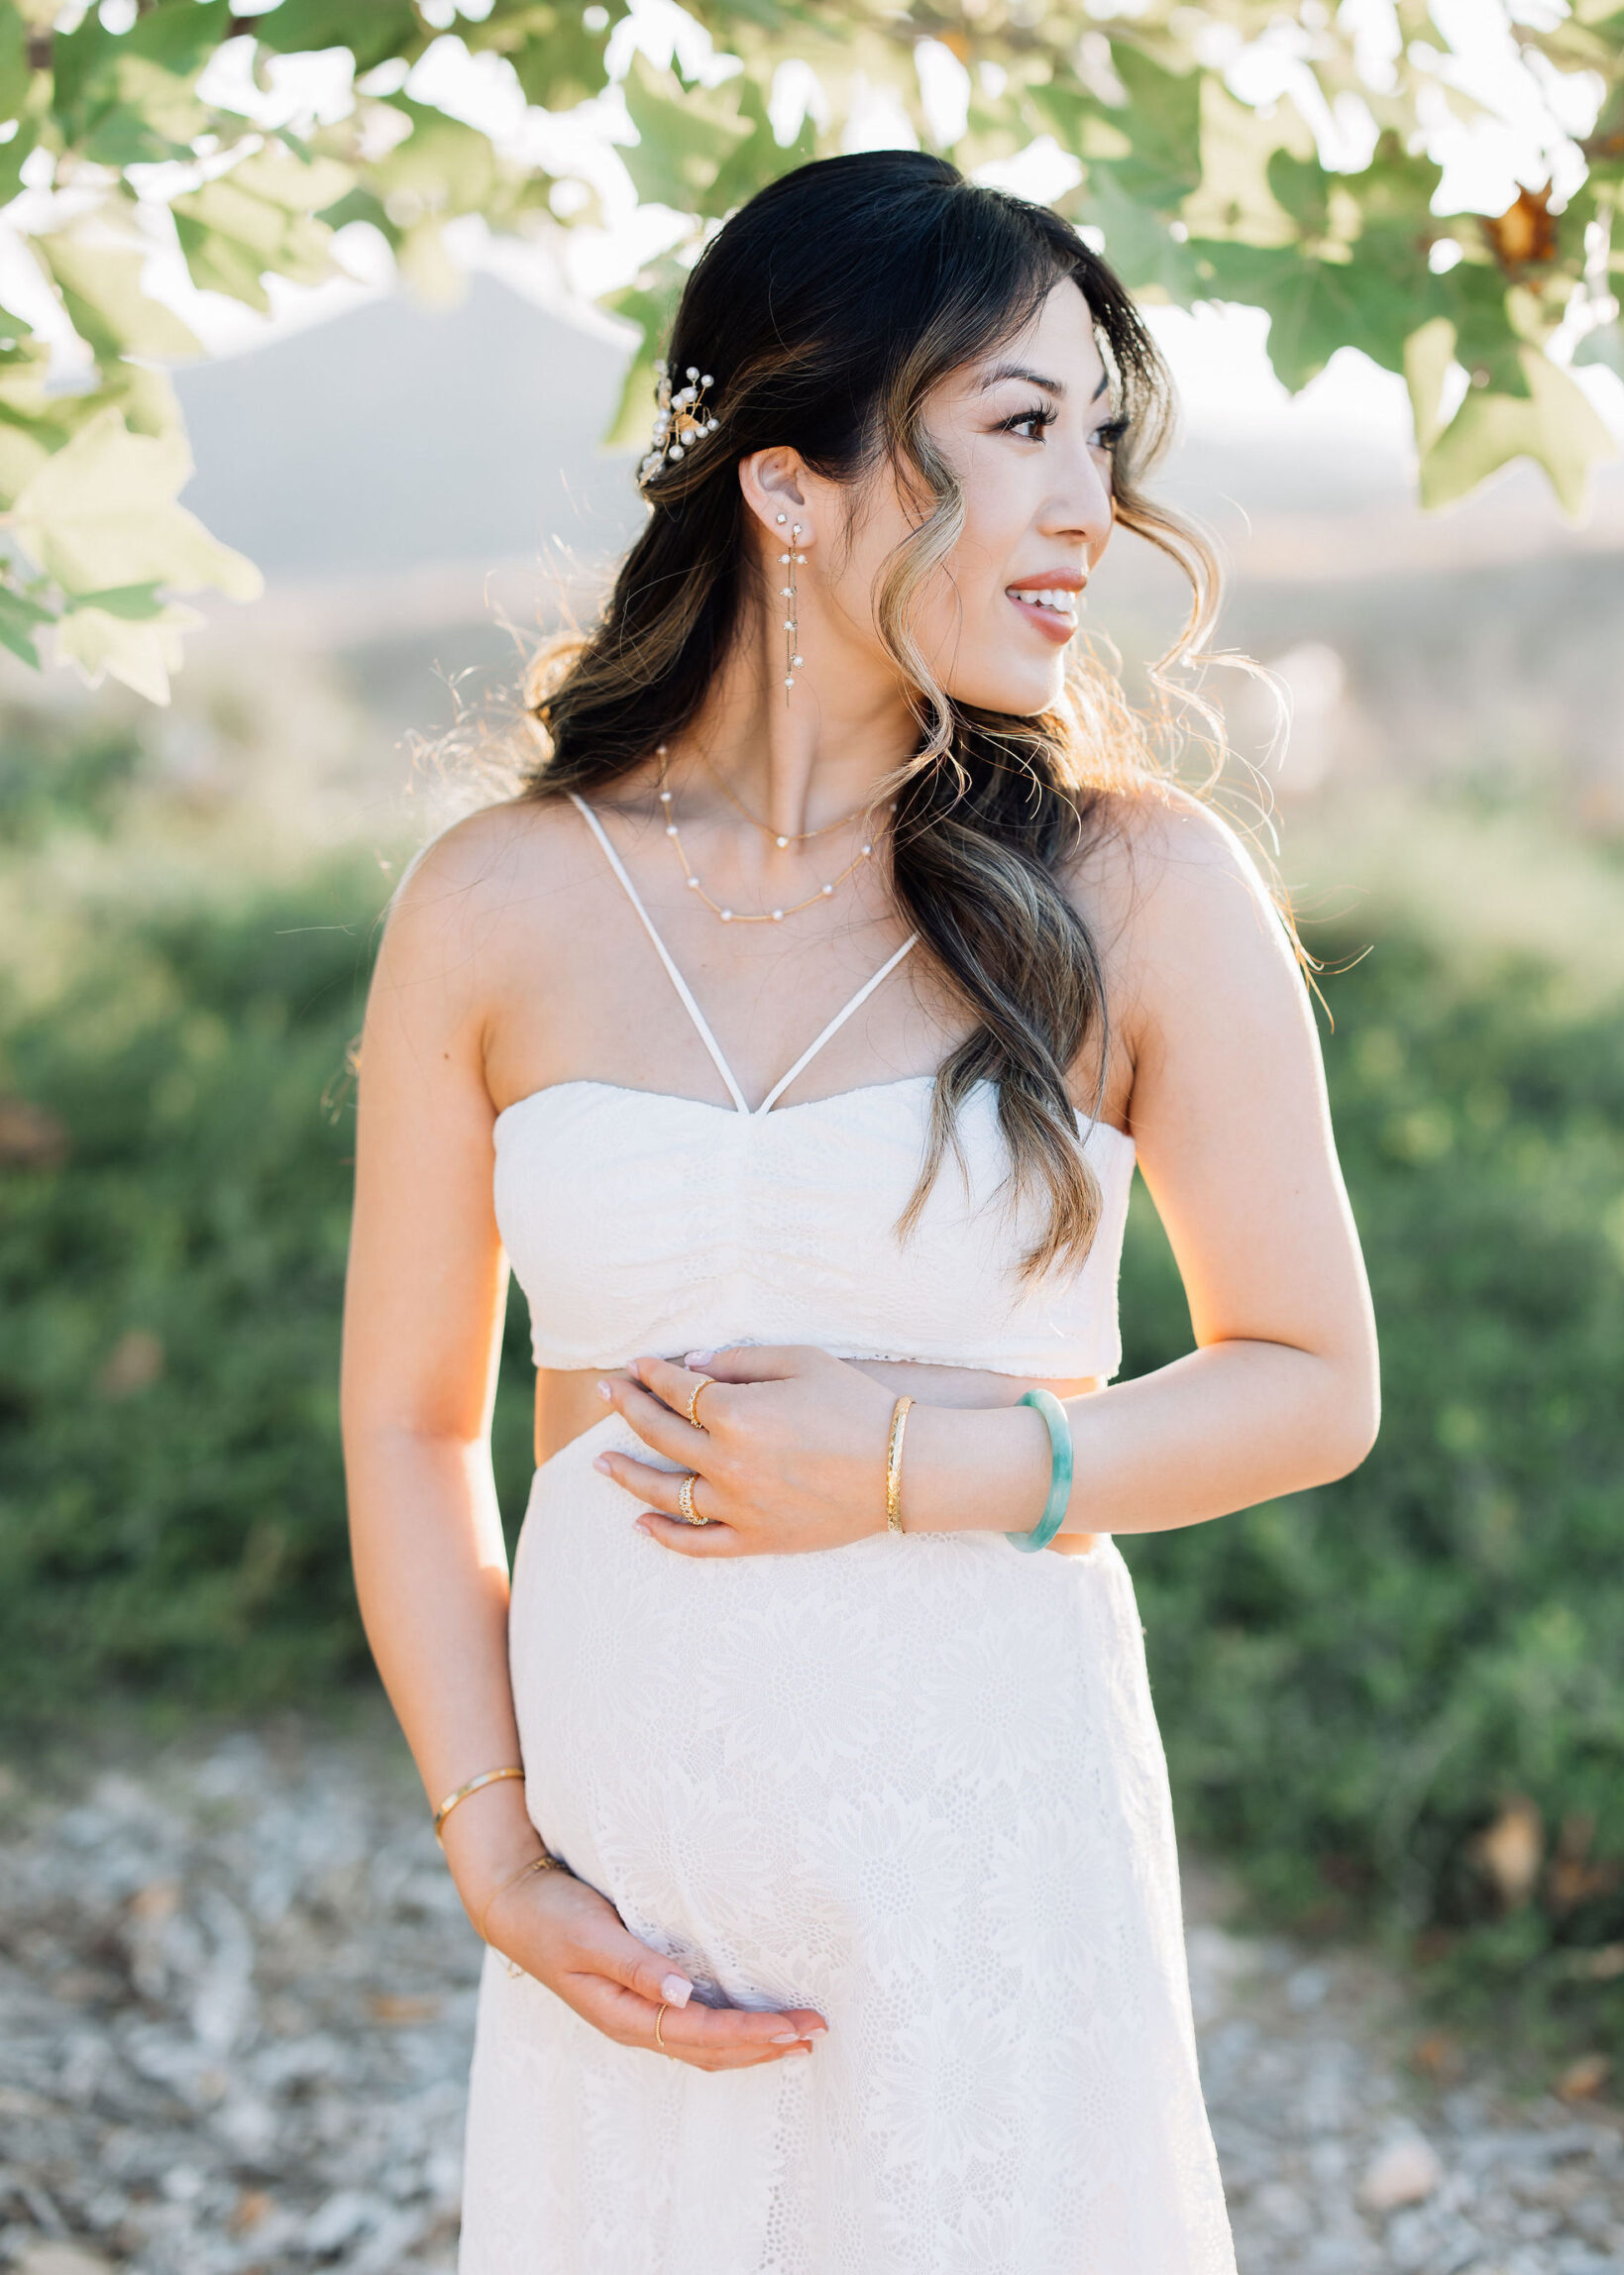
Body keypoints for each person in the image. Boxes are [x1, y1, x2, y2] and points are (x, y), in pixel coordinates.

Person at [340, 150, 1378, 2274]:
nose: (1087, 501)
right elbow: (413, 1422)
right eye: (1016, 427)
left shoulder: (1137, 884)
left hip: (983, 1820)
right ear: (789, 481)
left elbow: (1311, 1382)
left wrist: (921, 1464)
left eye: (1102, 434)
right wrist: (494, 1841)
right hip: (634, 1867)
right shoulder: (496, 900)